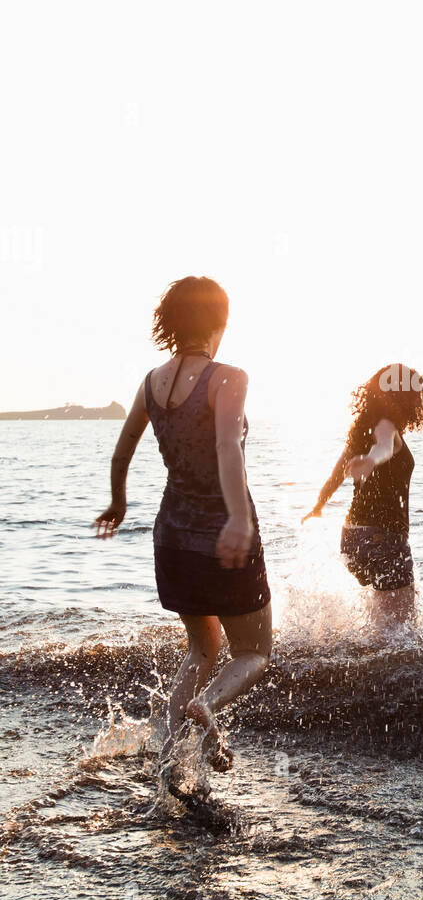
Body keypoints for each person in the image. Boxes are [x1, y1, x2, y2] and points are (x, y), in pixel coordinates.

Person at [93, 276, 271, 772]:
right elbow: (227, 445)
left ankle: (172, 762)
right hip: (223, 536)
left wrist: (118, 502)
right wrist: (237, 517)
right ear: (220, 321)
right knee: (254, 650)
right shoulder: (228, 376)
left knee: (202, 646)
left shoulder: (152, 381)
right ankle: (209, 705)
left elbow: (124, 447)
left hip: (172, 540)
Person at [304, 363, 423, 631]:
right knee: (400, 632)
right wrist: (372, 460)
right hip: (383, 538)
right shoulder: (386, 426)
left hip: (352, 538)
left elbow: (334, 478)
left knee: (382, 623)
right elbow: (383, 447)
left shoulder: (359, 433)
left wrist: (319, 505)